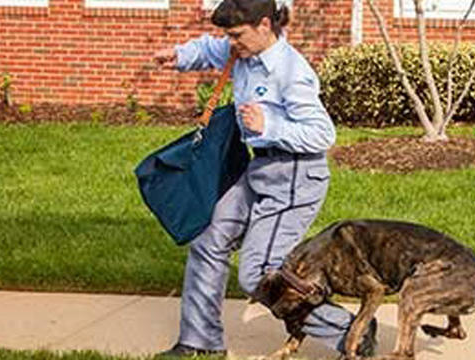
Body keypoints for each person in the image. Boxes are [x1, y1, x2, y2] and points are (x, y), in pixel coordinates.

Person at [152, 0, 376, 357]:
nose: (231, 42)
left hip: (295, 177)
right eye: (229, 35)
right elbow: (210, 48)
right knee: (208, 238)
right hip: (260, 169)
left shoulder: (290, 72)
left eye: (238, 35)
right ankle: (200, 342)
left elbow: (322, 134)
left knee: (258, 274)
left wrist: (269, 125)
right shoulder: (243, 51)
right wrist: (179, 55)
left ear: (264, 25)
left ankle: (351, 330)